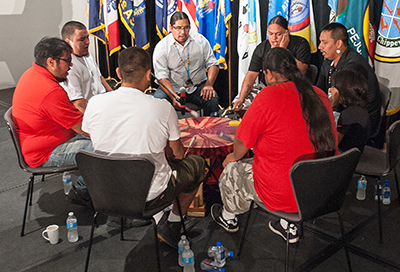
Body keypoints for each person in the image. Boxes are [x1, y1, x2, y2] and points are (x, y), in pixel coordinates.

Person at [211, 48, 338, 243]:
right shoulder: (320, 95)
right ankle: (288, 225)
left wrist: (233, 157)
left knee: (232, 169)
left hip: (284, 194)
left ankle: (228, 217)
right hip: (322, 189)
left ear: (268, 73)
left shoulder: (268, 95)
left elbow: (242, 144)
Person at [82, 47, 205, 248]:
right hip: (149, 195)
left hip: (104, 191)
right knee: (197, 165)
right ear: (149, 75)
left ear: (118, 73)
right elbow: (178, 154)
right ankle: (172, 223)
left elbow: (90, 133)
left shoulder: (94, 103)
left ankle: (162, 219)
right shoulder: (162, 107)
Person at [12, 37, 93, 205]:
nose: (71, 66)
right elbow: (82, 128)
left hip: (45, 140)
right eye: (68, 61)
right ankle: (81, 192)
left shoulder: (31, 74)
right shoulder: (49, 91)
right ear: (51, 62)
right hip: (45, 152)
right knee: (103, 148)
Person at [233, 15, 311, 110]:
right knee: (241, 103)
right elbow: (251, 74)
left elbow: (302, 70)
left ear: (287, 33)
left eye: (278, 34)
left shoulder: (300, 43)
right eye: (270, 34)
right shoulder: (262, 48)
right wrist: (241, 98)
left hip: (293, 87)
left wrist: (282, 50)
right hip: (267, 87)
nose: (274, 38)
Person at [316, 23, 380, 138]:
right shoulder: (328, 60)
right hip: (341, 112)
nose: (320, 47)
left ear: (339, 44)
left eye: (324, 43)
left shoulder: (353, 66)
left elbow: (338, 101)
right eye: (320, 42)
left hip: (358, 123)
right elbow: (319, 88)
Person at [153, 11, 219, 116]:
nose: (183, 32)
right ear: (171, 28)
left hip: (197, 87)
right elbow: (162, 77)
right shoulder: (162, 47)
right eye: (178, 28)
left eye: (186, 27)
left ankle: (209, 129)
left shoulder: (200, 41)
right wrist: (173, 96)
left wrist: (209, 84)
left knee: (212, 98)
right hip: (173, 88)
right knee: (157, 102)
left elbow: (213, 64)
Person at [60, 21, 113, 113]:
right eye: (82, 39)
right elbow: (78, 103)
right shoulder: (69, 67)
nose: (88, 42)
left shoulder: (87, 55)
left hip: (104, 104)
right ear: (68, 42)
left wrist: (113, 96)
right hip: (92, 111)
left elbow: (100, 78)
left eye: (87, 37)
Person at [330, 70, 370, 153]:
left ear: (341, 90)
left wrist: (330, 107)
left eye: (333, 87)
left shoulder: (348, 115)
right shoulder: (358, 107)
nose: (330, 90)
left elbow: (332, 144)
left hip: (346, 156)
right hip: (357, 149)